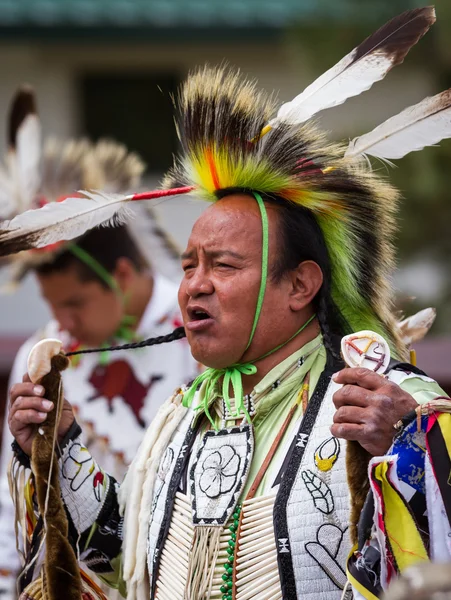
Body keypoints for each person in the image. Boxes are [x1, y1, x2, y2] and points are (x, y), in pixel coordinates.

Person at [4, 7, 451, 599]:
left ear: (301, 285)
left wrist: (407, 444)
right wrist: (58, 449)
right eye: (189, 266)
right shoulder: (182, 418)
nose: (195, 285)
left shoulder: (381, 397)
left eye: (223, 265)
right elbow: (118, 559)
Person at [0, 88, 198, 599]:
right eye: (52, 304)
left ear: (123, 274)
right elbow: (14, 495)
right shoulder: (41, 353)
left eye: (75, 304)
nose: (61, 321)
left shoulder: (196, 336)